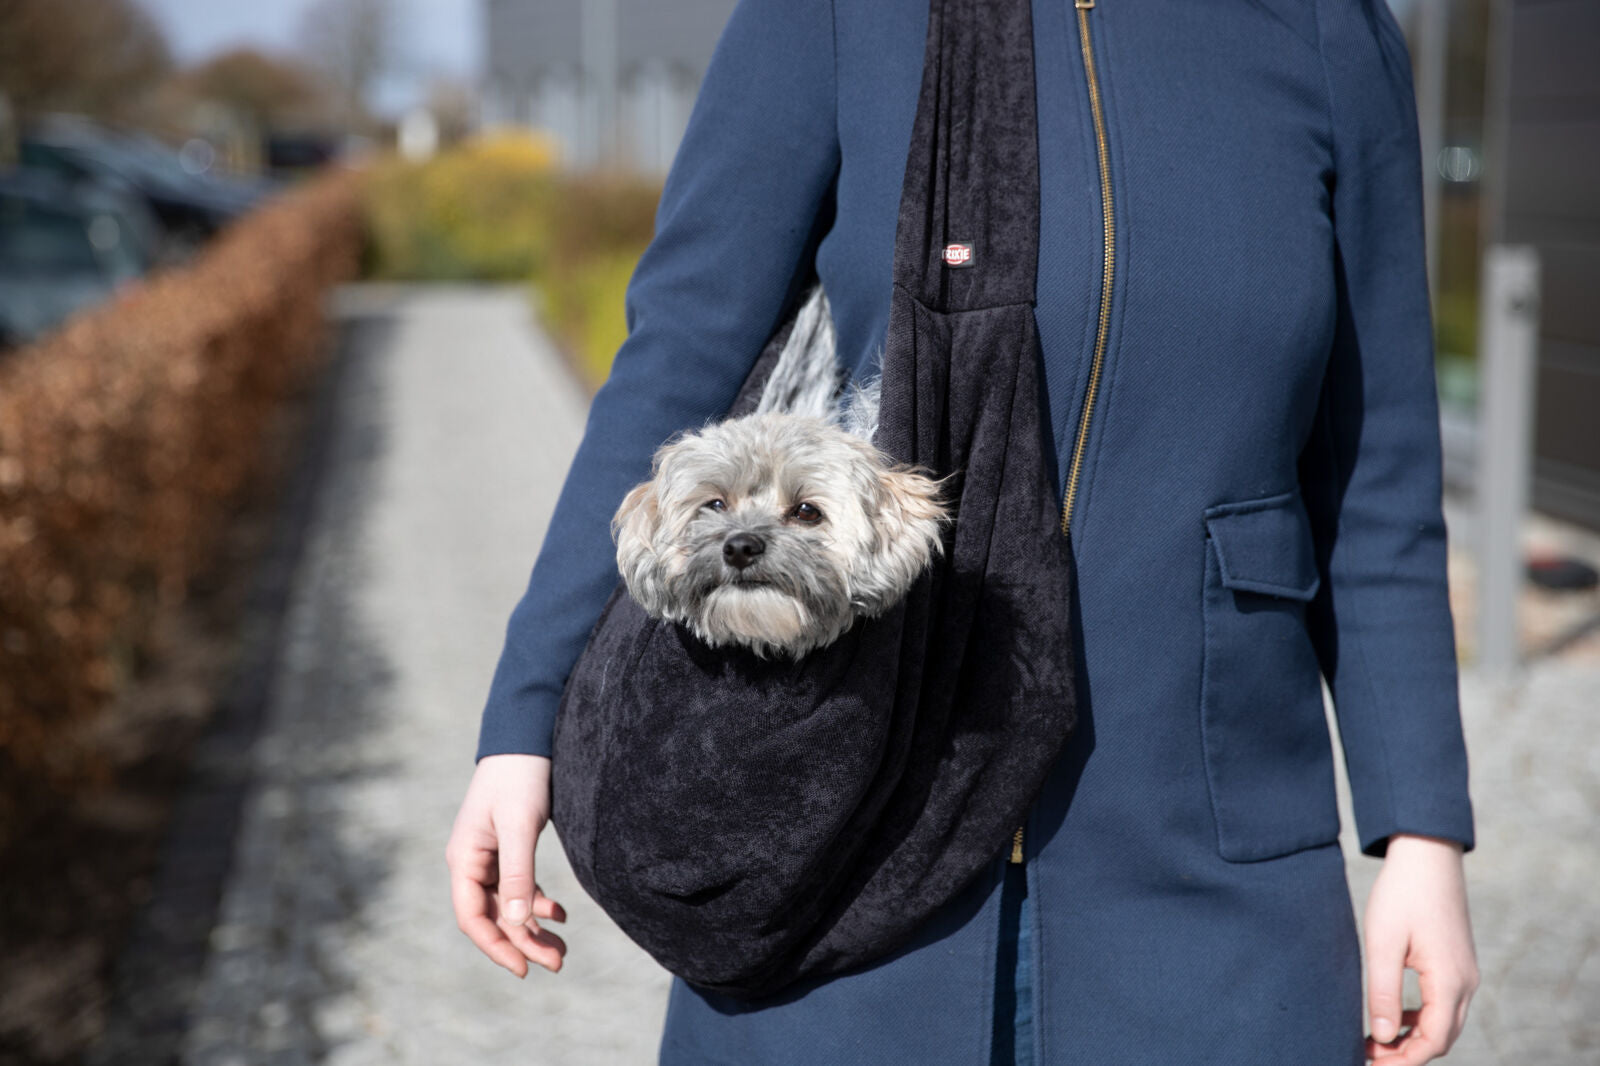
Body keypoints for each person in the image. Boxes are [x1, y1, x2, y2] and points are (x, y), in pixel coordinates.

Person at [446, 0, 1480, 1062]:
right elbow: (680, 356)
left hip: (1205, 860)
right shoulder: (836, 15)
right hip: (841, 826)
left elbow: (1377, 469)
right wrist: (526, 718)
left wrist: (1421, 829)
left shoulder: (1320, 30)